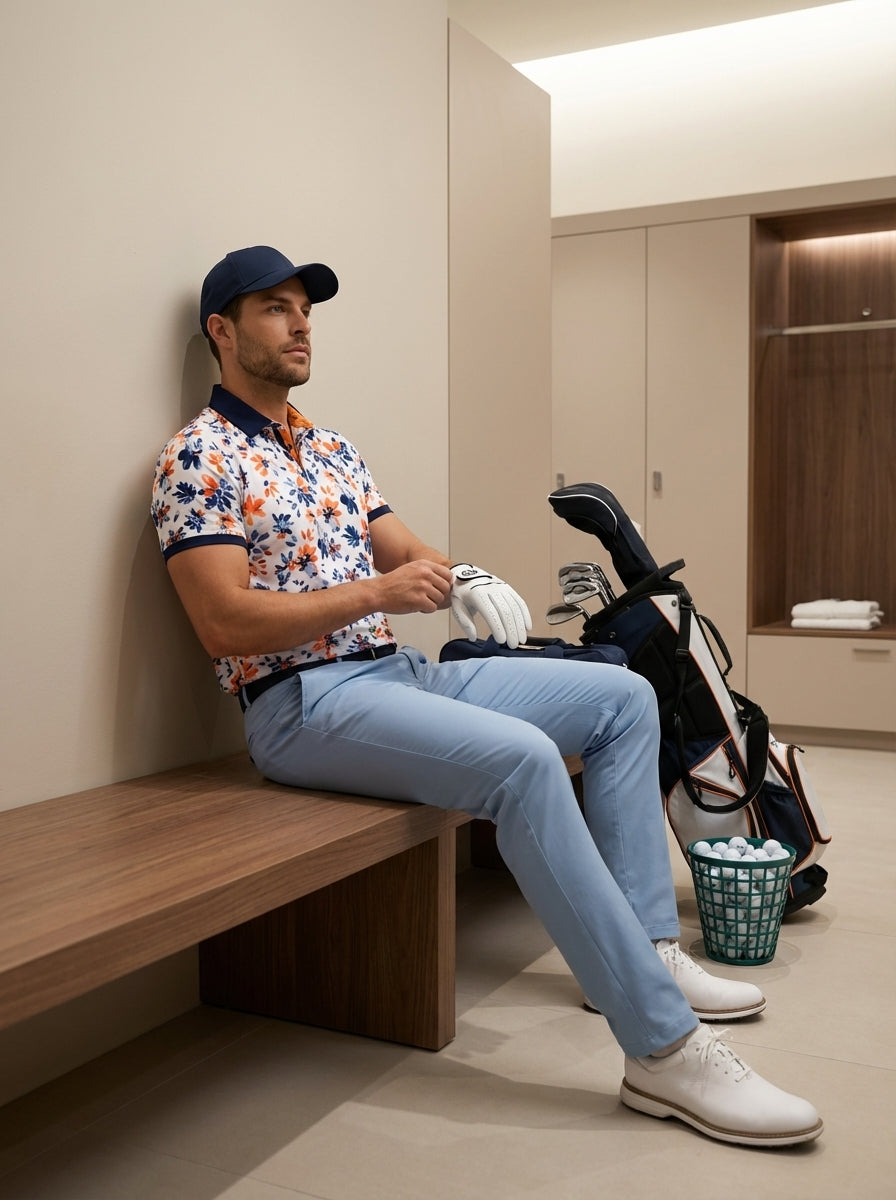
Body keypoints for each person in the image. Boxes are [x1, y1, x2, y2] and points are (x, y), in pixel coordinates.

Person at [151, 245, 823, 1148]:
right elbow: (224, 623)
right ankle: (664, 1052)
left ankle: (643, 950)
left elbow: (407, 554)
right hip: (300, 705)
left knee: (620, 697)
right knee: (523, 760)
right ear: (223, 332)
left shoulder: (328, 448)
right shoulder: (196, 458)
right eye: (275, 308)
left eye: (305, 307)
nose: (301, 321)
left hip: (394, 676)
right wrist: (376, 597)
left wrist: (455, 573)